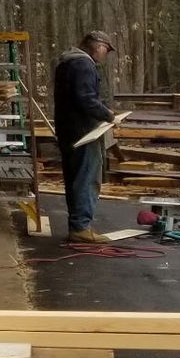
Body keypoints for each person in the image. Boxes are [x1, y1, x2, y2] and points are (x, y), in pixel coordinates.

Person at [53, 30, 117, 242]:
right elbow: (86, 98)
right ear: (98, 46)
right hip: (84, 132)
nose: (104, 55)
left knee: (74, 179)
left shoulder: (66, 63)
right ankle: (81, 227)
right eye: (105, 50)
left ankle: (77, 226)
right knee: (87, 178)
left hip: (67, 130)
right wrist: (107, 115)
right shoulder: (83, 64)